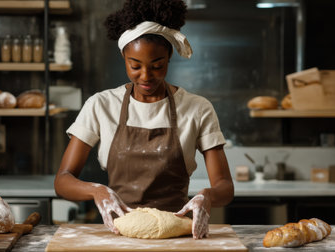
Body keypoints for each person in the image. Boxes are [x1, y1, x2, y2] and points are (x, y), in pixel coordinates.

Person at [54, 0, 234, 239]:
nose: (146, 76)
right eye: (135, 66)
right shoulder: (101, 105)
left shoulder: (197, 108)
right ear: (124, 57)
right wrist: (96, 191)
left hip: (176, 236)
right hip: (120, 235)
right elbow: (63, 180)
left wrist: (207, 196)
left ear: (169, 57)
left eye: (157, 65)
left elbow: (225, 186)